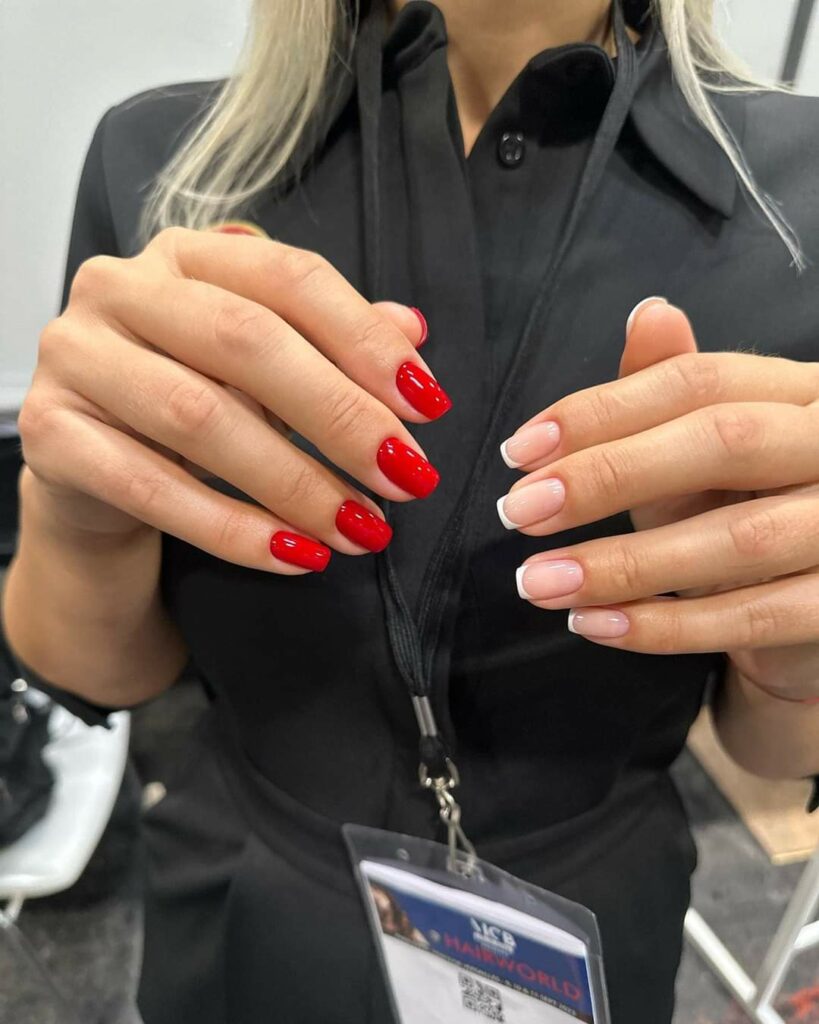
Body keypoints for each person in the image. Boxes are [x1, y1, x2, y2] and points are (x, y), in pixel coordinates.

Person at [2, 0, 819, 1020]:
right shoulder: (164, 164)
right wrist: (77, 514)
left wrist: (793, 662)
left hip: (584, 931)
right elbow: (96, 671)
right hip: (235, 914)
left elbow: (771, 747)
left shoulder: (800, 201)